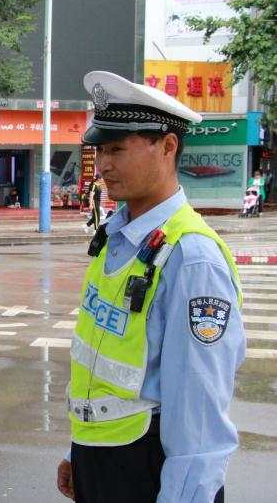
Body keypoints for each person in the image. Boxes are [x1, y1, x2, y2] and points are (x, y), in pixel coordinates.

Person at [56, 71, 244, 503]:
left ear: (168, 146)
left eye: (117, 149)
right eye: (100, 149)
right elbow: (102, 359)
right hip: (103, 458)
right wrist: (80, 453)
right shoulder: (115, 237)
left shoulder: (191, 257)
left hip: (149, 472)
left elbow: (198, 422)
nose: (103, 164)